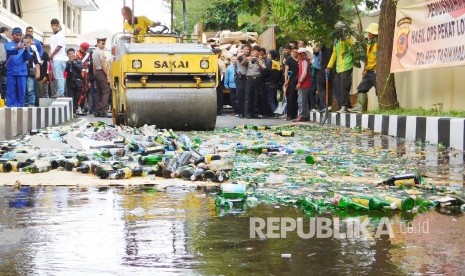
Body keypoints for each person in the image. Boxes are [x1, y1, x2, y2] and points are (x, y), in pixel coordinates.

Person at [349, 23, 379, 113]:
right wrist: (364, 69)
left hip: (376, 71)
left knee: (380, 90)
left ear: (374, 33)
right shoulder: (369, 44)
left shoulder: (379, 44)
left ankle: (384, 107)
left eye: (370, 32)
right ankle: (359, 107)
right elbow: (367, 58)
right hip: (368, 71)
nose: (368, 34)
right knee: (362, 88)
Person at [326, 21, 354, 113]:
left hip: (347, 65)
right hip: (338, 67)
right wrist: (329, 66)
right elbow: (334, 54)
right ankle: (346, 105)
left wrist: (346, 34)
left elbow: (353, 48)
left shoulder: (347, 38)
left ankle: (344, 106)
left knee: (344, 87)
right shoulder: (336, 40)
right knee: (338, 87)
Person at [4, 27, 31, 107]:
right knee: (11, 91)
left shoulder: (24, 45)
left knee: (21, 91)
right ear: (12, 35)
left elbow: (27, 58)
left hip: (22, 72)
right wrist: (17, 48)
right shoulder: (8, 44)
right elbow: (9, 51)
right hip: (11, 72)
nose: (18, 37)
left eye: (20, 35)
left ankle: (20, 107)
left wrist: (26, 50)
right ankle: (11, 107)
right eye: (16, 35)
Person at [243, 45, 265, 119]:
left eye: (257, 51)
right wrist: (247, 59)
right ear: (252, 52)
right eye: (254, 51)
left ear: (259, 53)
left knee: (256, 97)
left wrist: (258, 63)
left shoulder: (261, 60)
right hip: (249, 78)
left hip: (258, 79)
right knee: (248, 97)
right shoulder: (249, 58)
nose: (256, 52)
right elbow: (242, 64)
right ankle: (247, 113)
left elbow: (263, 70)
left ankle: (255, 113)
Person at [92, 37, 111, 117]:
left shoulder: (93, 52)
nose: (104, 45)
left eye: (104, 43)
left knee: (98, 92)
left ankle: (97, 110)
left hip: (97, 73)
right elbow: (103, 64)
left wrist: (94, 75)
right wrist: (108, 75)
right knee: (106, 90)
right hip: (101, 72)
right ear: (98, 43)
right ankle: (103, 110)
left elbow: (94, 66)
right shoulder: (100, 52)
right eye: (102, 43)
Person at [49, 18, 68, 97]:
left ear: (59, 26)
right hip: (56, 59)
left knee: (59, 77)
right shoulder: (54, 36)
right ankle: (59, 92)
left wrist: (51, 55)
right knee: (57, 77)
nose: (55, 27)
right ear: (51, 26)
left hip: (59, 59)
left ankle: (60, 93)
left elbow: (58, 47)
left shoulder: (60, 35)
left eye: (57, 25)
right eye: (54, 26)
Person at [294, 48, 311, 122]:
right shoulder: (301, 61)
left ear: (303, 54)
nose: (299, 55)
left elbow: (304, 73)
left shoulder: (304, 61)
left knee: (301, 100)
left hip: (304, 83)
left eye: (300, 54)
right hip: (304, 83)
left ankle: (302, 116)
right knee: (303, 100)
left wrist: (300, 82)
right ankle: (305, 115)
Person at [263, 49, 282, 116]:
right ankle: (273, 112)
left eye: (268, 53)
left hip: (268, 83)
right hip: (275, 83)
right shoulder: (277, 63)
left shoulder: (268, 61)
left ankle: (275, 112)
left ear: (270, 55)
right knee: (274, 98)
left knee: (270, 99)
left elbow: (266, 71)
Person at [65, 48, 83, 114]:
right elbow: (66, 70)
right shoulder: (67, 63)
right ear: (67, 55)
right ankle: (73, 112)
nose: (71, 55)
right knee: (71, 98)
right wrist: (69, 63)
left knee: (77, 98)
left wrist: (74, 62)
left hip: (78, 82)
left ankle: (75, 109)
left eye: (72, 53)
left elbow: (80, 68)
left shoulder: (78, 61)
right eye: (70, 54)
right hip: (70, 82)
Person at [75, 42, 91, 114]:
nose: (84, 50)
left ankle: (82, 107)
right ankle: (77, 107)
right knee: (79, 92)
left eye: (85, 49)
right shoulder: (76, 54)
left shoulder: (87, 55)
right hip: (79, 75)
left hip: (86, 76)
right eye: (83, 48)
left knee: (85, 91)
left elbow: (88, 65)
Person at [24, 34, 40, 107]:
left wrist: (38, 73)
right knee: (24, 90)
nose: (26, 44)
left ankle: (31, 104)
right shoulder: (20, 50)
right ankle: (25, 103)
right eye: (25, 42)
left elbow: (37, 62)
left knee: (30, 89)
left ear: (30, 43)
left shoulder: (33, 51)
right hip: (21, 73)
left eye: (28, 42)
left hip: (30, 73)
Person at [235, 44, 251, 118]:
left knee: (247, 96)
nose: (247, 50)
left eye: (248, 49)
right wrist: (246, 58)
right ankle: (240, 112)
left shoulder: (251, 57)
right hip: (240, 77)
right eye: (246, 49)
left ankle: (246, 112)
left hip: (248, 78)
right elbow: (240, 60)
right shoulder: (241, 56)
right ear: (243, 50)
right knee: (240, 95)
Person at [284, 48, 299, 120]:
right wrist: (286, 80)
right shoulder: (289, 59)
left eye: (296, 52)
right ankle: (289, 114)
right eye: (293, 52)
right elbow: (286, 70)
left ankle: (295, 114)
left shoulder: (300, 60)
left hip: (298, 80)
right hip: (291, 79)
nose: (295, 53)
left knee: (296, 97)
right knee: (290, 97)